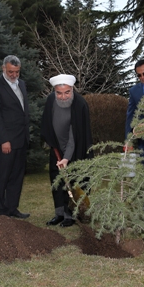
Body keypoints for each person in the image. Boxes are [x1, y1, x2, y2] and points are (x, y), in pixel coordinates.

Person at [41, 74, 93, 227]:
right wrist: (52, 145)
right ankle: (59, 213)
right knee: (57, 182)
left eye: (67, 92)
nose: (63, 97)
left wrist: (67, 158)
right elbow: (46, 124)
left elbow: (74, 137)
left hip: (76, 151)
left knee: (73, 182)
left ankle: (71, 215)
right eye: (59, 93)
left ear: (72, 90)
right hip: (56, 149)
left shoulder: (79, 105)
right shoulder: (51, 100)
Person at [0, 55, 30, 218]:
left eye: (17, 72)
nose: (14, 75)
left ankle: (12, 208)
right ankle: (0, 211)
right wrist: (3, 140)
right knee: (2, 176)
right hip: (5, 141)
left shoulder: (22, 84)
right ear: (3, 68)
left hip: (21, 139)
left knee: (17, 176)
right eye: (11, 71)